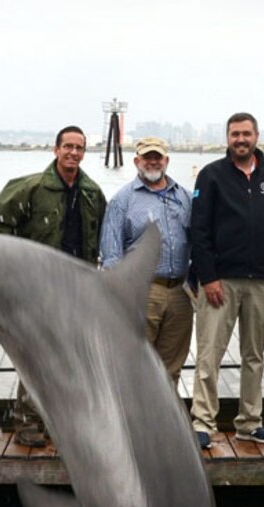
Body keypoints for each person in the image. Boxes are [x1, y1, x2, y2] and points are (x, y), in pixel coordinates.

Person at [0, 125, 107, 447]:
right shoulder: (30, 188)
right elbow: (0, 225)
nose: (73, 153)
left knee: (72, 359)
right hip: (38, 288)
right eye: (67, 146)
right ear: (56, 149)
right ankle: (26, 422)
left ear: (85, 153)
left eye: (79, 148)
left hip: (78, 289)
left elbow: (101, 239)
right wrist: (16, 271)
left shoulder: (92, 193)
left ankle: (60, 422)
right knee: (37, 356)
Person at [190, 112, 264, 449]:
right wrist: (209, 277)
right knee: (209, 355)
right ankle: (203, 422)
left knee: (254, 356)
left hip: (263, 281)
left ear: (257, 136)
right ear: (227, 138)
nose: (241, 140)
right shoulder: (211, 176)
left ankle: (250, 422)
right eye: (235, 134)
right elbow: (199, 231)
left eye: (246, 134)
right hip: (221, 281)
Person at [99, 136, 193, 387]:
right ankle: (129, 423)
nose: (153, 162)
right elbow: (111, 252)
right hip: (143, 292)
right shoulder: (123, 199)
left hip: (180, 294)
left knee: (171, 366)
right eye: (147, 157)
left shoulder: (184, 196)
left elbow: (197, 240)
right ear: (136, 161)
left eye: (157, 157)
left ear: (166, 160)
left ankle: (161, 424)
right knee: (133, 362)